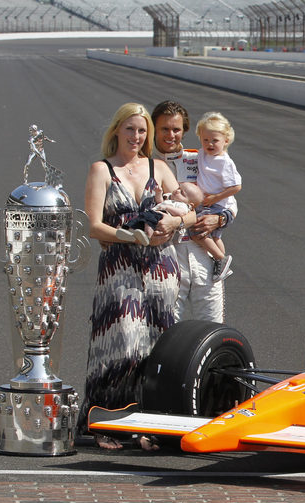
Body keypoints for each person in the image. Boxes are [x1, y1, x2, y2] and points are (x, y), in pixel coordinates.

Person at [81, 102, 196, 450]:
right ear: (116, 129)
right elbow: (93, 225)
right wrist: (127, 235)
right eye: (130, 129)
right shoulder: (101, 170)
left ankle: (149, 424)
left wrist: (174, 222)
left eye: (142, 130)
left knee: (157, 346)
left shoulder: (157, 167)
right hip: (119, 267)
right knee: (120, 343)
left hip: (161, 268)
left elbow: (189, 211)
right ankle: (106, 422)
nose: (136, 136)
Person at [151, 100, 232, 322]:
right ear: (154, 129)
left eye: (176, 129)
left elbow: (230, 202)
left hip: (203, 253)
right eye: (164, 129)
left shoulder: (201, 158)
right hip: (165, 257)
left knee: (212, 326)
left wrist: (219, 219)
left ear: (184, 130)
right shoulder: (144, 164)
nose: (171, 135)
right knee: (165, 329)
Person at [193, 111, 242, 282]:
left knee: (196, 231)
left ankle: (220, 258)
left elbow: (236, 186)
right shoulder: (202, 154)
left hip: (218, 206)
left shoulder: (224, 162)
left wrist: (215, 198)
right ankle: (219, 261)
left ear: (226, 141)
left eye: (215, 140)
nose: (210, 144)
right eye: (205, 140)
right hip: (207, 204)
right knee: (214, 237)